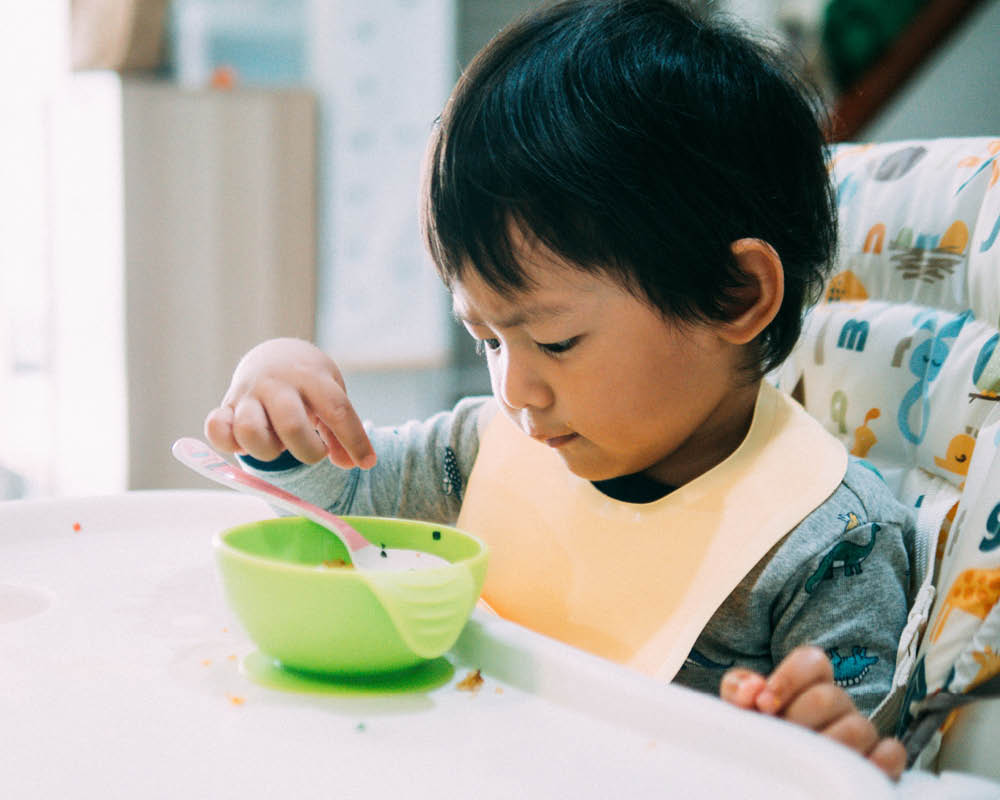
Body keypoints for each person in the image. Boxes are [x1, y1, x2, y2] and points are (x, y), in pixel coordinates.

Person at [204, 0, 913, 779]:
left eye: (555, 342)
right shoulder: (479, 455)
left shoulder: (827, 544)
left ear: (736, 296)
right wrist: (284, 410)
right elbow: (342, 506)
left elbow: (859, 759)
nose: (516, 390)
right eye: (486, 339)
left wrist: (818, 742)